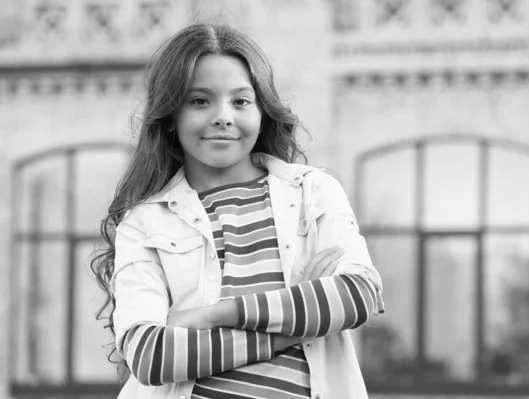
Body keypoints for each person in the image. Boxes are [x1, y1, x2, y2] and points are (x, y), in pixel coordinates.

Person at [92, 23, 384, 399]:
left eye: (241, 101)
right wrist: (300, 321)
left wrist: (212, 316)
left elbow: (360, 294)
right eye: (200, 101)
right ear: (170, 117)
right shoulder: (144, 223)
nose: (223, 116)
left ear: (262, 111)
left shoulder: (312, 192)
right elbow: (151, 356)